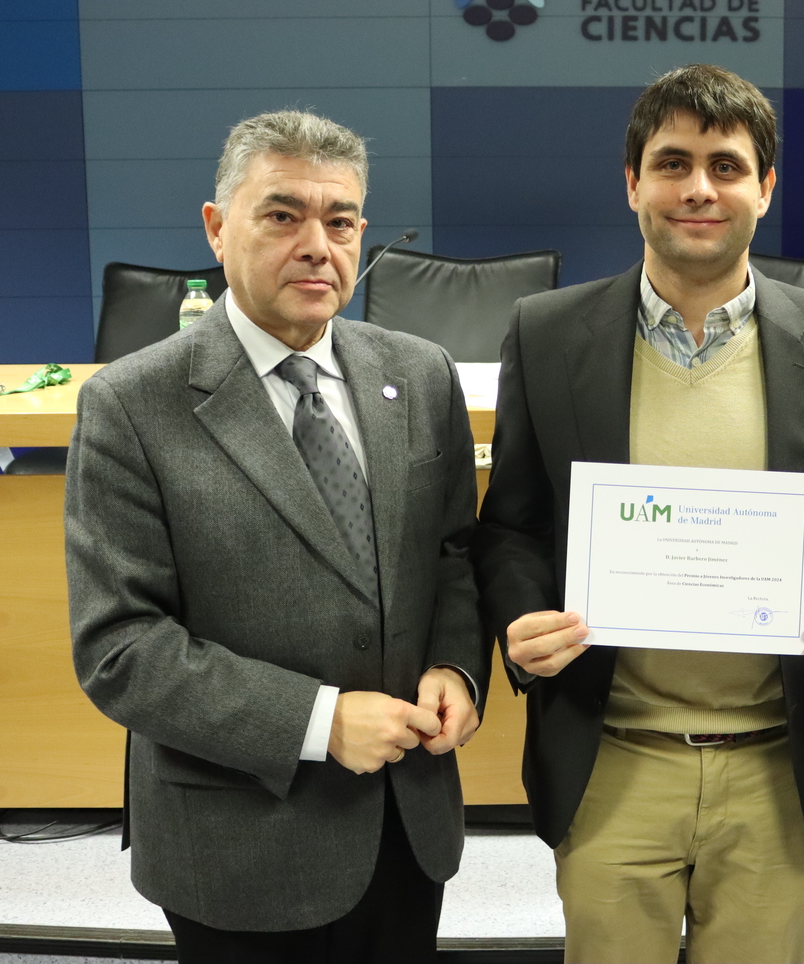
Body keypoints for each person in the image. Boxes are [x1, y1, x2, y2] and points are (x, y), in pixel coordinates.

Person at [473, 64, 804, 963]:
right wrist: (519, 617)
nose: (700, 188)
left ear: (765, 187)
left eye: (726, 164)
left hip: (776, 767)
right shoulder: (547, 333)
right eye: (673, 163)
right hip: (612, 760)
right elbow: (513, 522)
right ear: (633, 182)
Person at [65, 110, 488, 964]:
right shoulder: (131, 405)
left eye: (339, 222)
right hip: (239, 842)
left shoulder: (419, 373)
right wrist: (319, 719)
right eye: (282, 215)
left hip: (407, 829)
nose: (316, 245)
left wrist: (456, 666)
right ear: (218, 228)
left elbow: (451, 553)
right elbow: (121, 647)